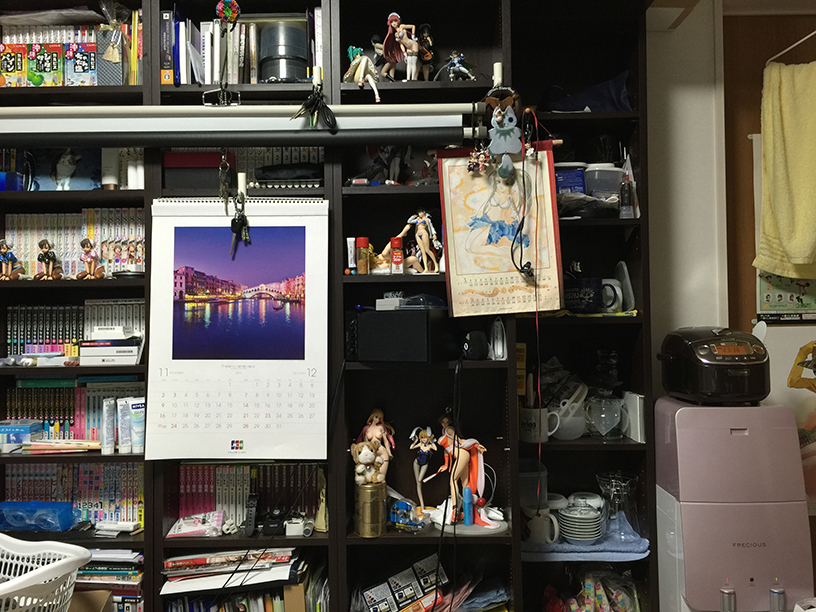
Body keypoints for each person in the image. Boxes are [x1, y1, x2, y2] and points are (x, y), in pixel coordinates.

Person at [356, 409, 395, 477]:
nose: (378, 420)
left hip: (382, 452)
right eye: (376, 417)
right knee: (371, 476)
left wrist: (389, 452)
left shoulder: (380, 428)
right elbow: (366, 443)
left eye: (380, 418)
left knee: (381, 476)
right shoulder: (366, 429)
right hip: (371, 453)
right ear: (372, 416)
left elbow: (385, 441)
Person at [382, 13, 418, 81]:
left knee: (413, 63)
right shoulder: (395, 34)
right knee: (409, 63)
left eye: (395, 21)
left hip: (413, 45)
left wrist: (413, 35)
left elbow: (413, 26)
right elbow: (401, 44)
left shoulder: (402, 26)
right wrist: (404, 53)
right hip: (407, 47)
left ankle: (413, 79)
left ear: (398, 21)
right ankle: (408, 79)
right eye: (391, 22)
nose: (393, 23)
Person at [409, 427, 437, 514]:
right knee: (418, 484)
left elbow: (435, 448)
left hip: (425, 464)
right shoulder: (420, 444)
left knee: (419, 480)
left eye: (425, 437)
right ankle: (422, 505)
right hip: (417, 462)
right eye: (422, 438)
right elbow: (411, 447)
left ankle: (422, 506)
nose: (424, 439)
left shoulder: (429, 446)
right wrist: (416, 441)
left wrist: (431, 441)